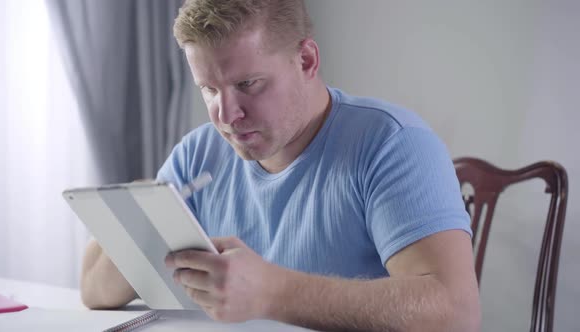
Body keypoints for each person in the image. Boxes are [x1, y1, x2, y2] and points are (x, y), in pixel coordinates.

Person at [79, 0, 481, 331]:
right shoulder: (198, 153)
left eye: (247, 84)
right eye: (209, 89)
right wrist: (139, 215)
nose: (226, 115)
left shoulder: (393, 144)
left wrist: (274, 293)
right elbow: (94, 291)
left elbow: (457, 313)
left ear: (306, 60)